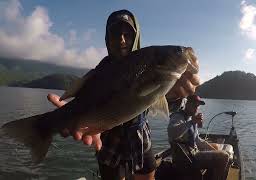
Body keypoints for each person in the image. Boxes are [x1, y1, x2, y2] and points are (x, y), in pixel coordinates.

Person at [47, 9, 201, 180]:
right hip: (109, 140)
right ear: (107, 40)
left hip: (140, 135)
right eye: (115, 34)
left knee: (148, 174)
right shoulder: (100, 72)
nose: (121, 40)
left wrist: (176, 96)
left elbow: (160, 103)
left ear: (136, 38)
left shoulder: (152, 67)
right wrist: (75, 118)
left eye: (128, 34)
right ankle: (41, 128)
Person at [167, 95, 230, 180]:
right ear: (187, 104)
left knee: (221, 149)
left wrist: (215, 150)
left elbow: (197, 141)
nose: (196, 108)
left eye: (198, 106)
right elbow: (172, 133)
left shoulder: (191, 118)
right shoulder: (178, 116)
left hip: (194, 154)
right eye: (194, 105)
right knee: (224, 156)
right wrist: (192, 122)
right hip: (186, 159)